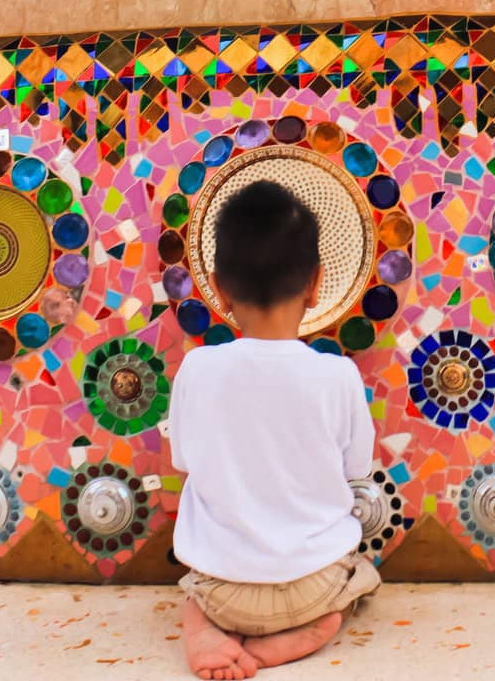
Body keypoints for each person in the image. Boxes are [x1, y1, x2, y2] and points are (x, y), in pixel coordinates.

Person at [168, 179, 380, 679]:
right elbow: (356, 470)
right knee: (362, 577)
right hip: (316, 585)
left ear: (217, 288)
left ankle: (203, 628)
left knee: (192, 593)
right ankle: (310, 630)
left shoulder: (197, 370)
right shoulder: (338, 375)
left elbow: (183, 462)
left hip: (224, 591)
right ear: (315, 283)